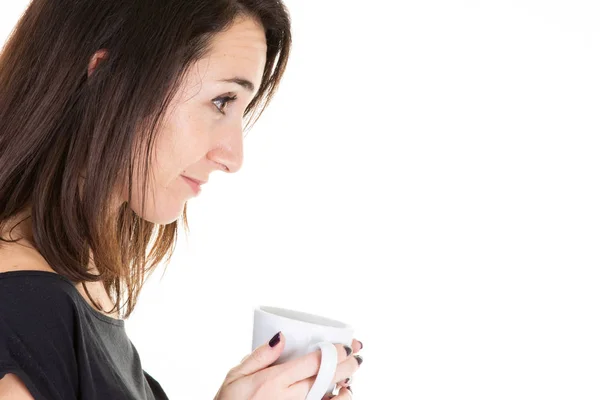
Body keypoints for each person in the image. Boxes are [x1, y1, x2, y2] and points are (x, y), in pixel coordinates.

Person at [0, 0, 363, 399]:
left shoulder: (73, 286)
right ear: (107, 79)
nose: (233, 156)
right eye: (222, 101)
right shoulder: (19, 309)